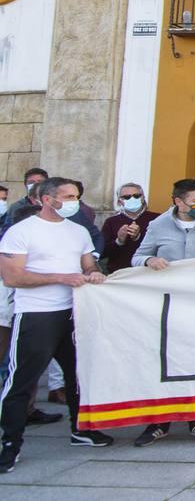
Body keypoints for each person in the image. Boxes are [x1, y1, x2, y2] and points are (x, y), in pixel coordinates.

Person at [0, 177, 112, 473]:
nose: (74, 201)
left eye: (76, 195)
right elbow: (13, 277)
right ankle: (10, 442)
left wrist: (94, 273)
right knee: (22, 380)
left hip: (74, 312)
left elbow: (88, 264)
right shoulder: (20, 232)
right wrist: (60, 278)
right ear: (47, 199)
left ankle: (81, 429)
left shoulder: (78, 232)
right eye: (68, 196)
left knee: (79, 375)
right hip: (36, 315)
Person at [130, 179, 195, 446]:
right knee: (164, 361)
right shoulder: (158, 225)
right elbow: (137, 257)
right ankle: (159, 422)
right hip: (166, 305)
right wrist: (149, 260)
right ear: (178, 202)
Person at [100, 182, 157, 271]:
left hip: (149, 271)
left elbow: (162, 247)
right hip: (119, 272)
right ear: (119, 201)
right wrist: (119, 241)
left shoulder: (156, 219)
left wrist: (137, 237)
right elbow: (102, 252)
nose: (132, 199)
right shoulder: (111, 222)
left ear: (143, 198)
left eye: (137, 196)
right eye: (127, 197)